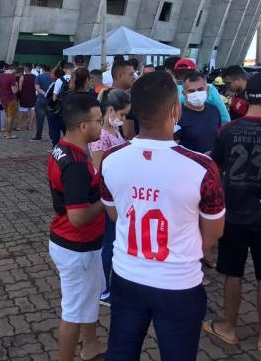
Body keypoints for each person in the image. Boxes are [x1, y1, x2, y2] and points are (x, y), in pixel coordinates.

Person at [100, 71, 225, 360]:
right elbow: (214, 230)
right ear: (176, 110)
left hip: (126, 275)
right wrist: (186, 249)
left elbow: (114, 214)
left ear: (135, 112)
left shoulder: (111, 159)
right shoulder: (202, 167)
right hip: (178, 282)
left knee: (120, 351)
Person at [205, 72, 261, 353]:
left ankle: (229, 327)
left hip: (233, 214)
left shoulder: (226, 131)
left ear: (245, 96)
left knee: (232, 274)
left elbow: (214, 167)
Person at [47, 93, 106, 361]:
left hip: (77, 244)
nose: (102, 125)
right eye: (99, 121)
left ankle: (90, 344)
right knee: (73, 310)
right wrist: (106, 200)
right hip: (76, 246)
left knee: (89, 297)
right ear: (83, 126)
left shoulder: (63, 147)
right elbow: (79, 217)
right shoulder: (76, 164)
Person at [88, 88, 131, 307]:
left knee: (113, 242)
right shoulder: (100, 138)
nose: (123, 120)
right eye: (122, 115)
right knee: (107, 244)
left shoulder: (114, 132)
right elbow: (98, 170)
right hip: (108, 196)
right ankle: (103, 289)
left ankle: (106, 284)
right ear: (111, 110)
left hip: (118, 194)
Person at [174, 59, 230, 125]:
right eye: (180, 73)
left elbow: (225, 119)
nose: (184, 76)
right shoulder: (176, 89)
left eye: (187, 72)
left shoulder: (210, 89)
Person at [176, 72, 221, 153]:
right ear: (184, 93)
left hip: (211, 163)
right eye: (191, 91)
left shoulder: (214, 110)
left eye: (200, 89)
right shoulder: (178, 115)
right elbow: (174, 147)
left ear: (207, 90)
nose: (196, 94)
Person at [110, 61, 136, 139]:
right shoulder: (123, 100)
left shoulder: (103, 95)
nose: (134, 77)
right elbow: (128, 134)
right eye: (131, 74)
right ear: (119, 76)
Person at [0, 64, 19, 139]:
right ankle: (8, 134)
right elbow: (14, 91)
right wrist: (17, 86)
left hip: (3, 98)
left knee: (7, 116)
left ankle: (6, 133)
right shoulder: (11, 77)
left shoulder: (0, 75)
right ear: (14, 70)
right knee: (10, 117)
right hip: (11, 99)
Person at [47, 67, 67, 147]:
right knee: (66, 130)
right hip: (67, 111)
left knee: (55, 130)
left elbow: (48, 96)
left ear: (55, 76)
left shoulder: (55, 84)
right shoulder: (71, 82)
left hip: (56, 110)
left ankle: (55, 147)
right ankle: (68, 146)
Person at [32, 64, 52, 141]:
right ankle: (52, 136)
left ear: (42, 69)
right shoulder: (53, 77)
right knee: (51, 120)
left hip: (40, 100)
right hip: (51, 101)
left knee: (39, 120)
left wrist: (44, 93)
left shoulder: (39, 77)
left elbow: (37, 88)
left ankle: (38, 136)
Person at [18, 63, 37, 131]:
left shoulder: (22, 77)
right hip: (33, 96)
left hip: (24, 96)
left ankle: (20, 126)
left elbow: (20, 88)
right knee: (32, 110)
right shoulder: (35, 76)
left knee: (22, 111)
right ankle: (31, 126)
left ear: (26, 69)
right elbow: (36, 87)